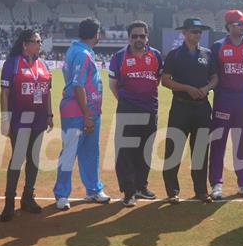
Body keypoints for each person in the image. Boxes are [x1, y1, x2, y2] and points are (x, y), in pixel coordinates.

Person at [53, 18, 110, 210]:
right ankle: (62, 194)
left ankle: (93, 189)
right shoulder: (83, 53)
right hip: (79, 111)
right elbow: (77, 85)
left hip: (89, 110)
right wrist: (86, 115)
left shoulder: (75, 50)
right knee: (70, 152)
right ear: (96, 34)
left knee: (90, 152)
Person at [162, 18, 218, 204]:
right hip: (180, 107)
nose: (197, 34)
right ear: (184, 33)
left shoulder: (208, 54)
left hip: (202, 108)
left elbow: (215, 77)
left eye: (199, 31)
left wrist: (207, 88)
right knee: (174, 150)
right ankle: (172, 192)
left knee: (201, 151)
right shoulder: (174, 55)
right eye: (193, 31)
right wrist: (187, 88)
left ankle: (201, 191)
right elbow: (166, 80)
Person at [108, 21, 163, 207]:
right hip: (127, 110)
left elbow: (158, 81)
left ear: (147, 37)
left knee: (145, 151)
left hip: (150, 110)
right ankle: (129, 192)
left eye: (142, 36)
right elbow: (113, 85)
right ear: (129, 37)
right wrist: (125, 102)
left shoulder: (156, 55)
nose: (138, 39)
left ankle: (141, 186)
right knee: (125, 152)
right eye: (134, 36)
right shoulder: (119, 57)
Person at [0, 29, 53, 220]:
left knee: (34, 159)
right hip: (20, 120)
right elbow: (5, 93)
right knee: (18, 158)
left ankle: (28, 198)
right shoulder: (12, 64)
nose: (40, 44)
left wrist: (50, 114)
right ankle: (8, 203)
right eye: (36, 41)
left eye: (40, 41)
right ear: (25, 44)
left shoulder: (44, 64)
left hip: (39, 119)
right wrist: (5, 118)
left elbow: (47, 92)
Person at [209, 10, 243, 200]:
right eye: (239, 23)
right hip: (223, 99)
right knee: (218, 141)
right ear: (229, 26)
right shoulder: (217, 47)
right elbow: (212, 74)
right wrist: (225, 90)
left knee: (241, 141)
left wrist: (242, 88)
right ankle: (216, 183)